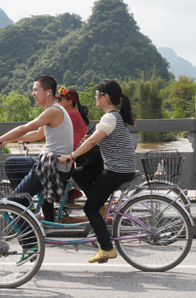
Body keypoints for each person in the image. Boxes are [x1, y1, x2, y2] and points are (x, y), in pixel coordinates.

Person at [59, 79, 137, 263]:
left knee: (89, 207)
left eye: (97, 93)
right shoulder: (114, 117)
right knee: (79, 173)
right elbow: (93, 139)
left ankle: (107, 248)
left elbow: (92, 142)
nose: (95, 96)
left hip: (117, 170)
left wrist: (71, 155)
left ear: (105, 97)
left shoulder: (110, 117)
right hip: (119, 168)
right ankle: (100, 207)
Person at [0, 76, 74, 224]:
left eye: (35, 90)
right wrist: (9, 140)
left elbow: (25, 128)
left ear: (48, 92)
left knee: (13, 202)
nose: (33, 93)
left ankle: (31, 240)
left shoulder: (53, 111)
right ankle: (27, 204)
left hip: (53, 166)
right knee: (11, 163)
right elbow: (38, 134)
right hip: (51, 162)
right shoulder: (54, 110)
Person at [55, 86, 90, 203]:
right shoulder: (71, 113)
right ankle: (69, 191)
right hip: (73, 152)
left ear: (70, 102)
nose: (57, 102)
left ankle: (70, 192)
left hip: (74, 153)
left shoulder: (71, 113)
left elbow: (53, 128)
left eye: (60, 100)